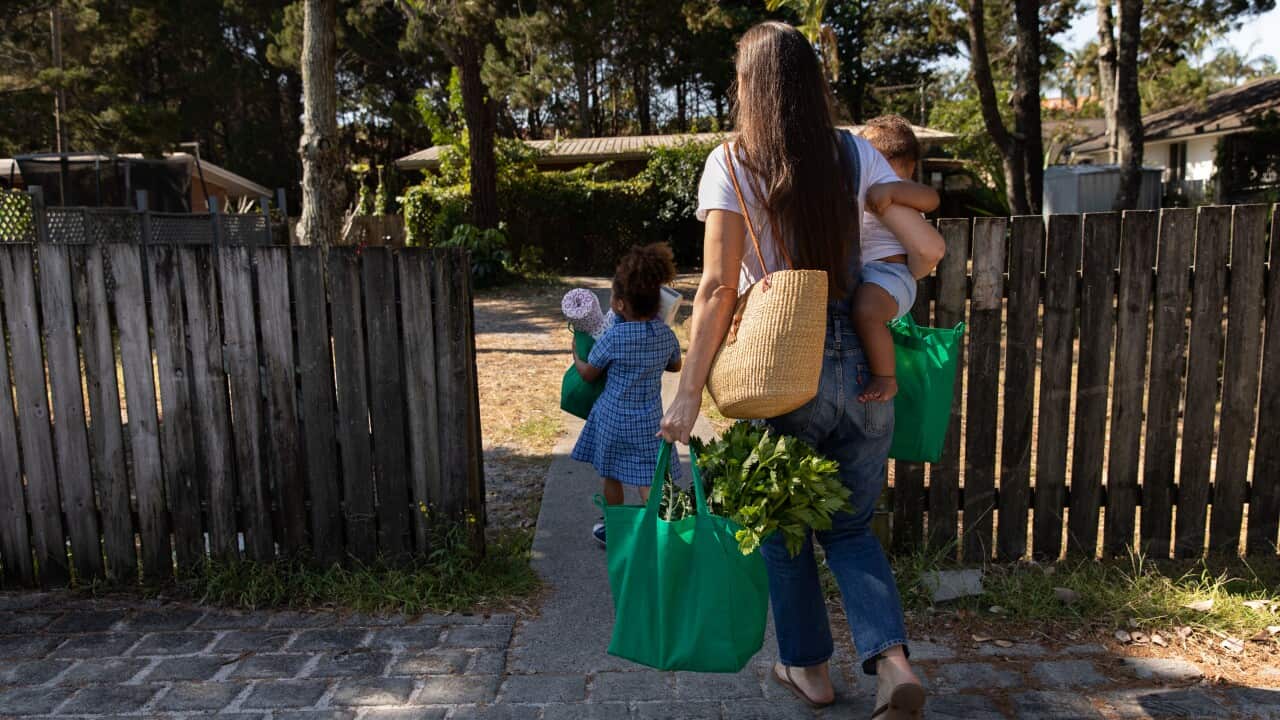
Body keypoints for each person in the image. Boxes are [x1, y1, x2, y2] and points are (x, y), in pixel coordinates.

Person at [659, 21, 937, 720]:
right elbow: (913, 235)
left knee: (785, 525)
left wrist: (689, 392)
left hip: (786, 368)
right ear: (813, 83)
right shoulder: (855, 151)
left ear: (747, 85)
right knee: (850, 528)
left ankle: (809, 671)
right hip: (863, 365)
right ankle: (892, 661)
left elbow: (720, 286)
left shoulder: (732, 160)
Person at [572, 243, 683, 547]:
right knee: (648, 479)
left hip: (611, 418)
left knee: (611, 475)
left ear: (620, 304)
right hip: (648, 422)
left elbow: (589, 373)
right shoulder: (665, 335)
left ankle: (615, 528)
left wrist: (575, 355)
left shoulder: (614, 336)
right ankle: (660, 531)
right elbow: (676, 365)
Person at [854, 115, 946, 402]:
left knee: (866, 312)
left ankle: (886, 377)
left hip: (889, 274)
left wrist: (893, 189)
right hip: (870, 274)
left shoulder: (900, 190)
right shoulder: (861, 187)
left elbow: (931, 199)